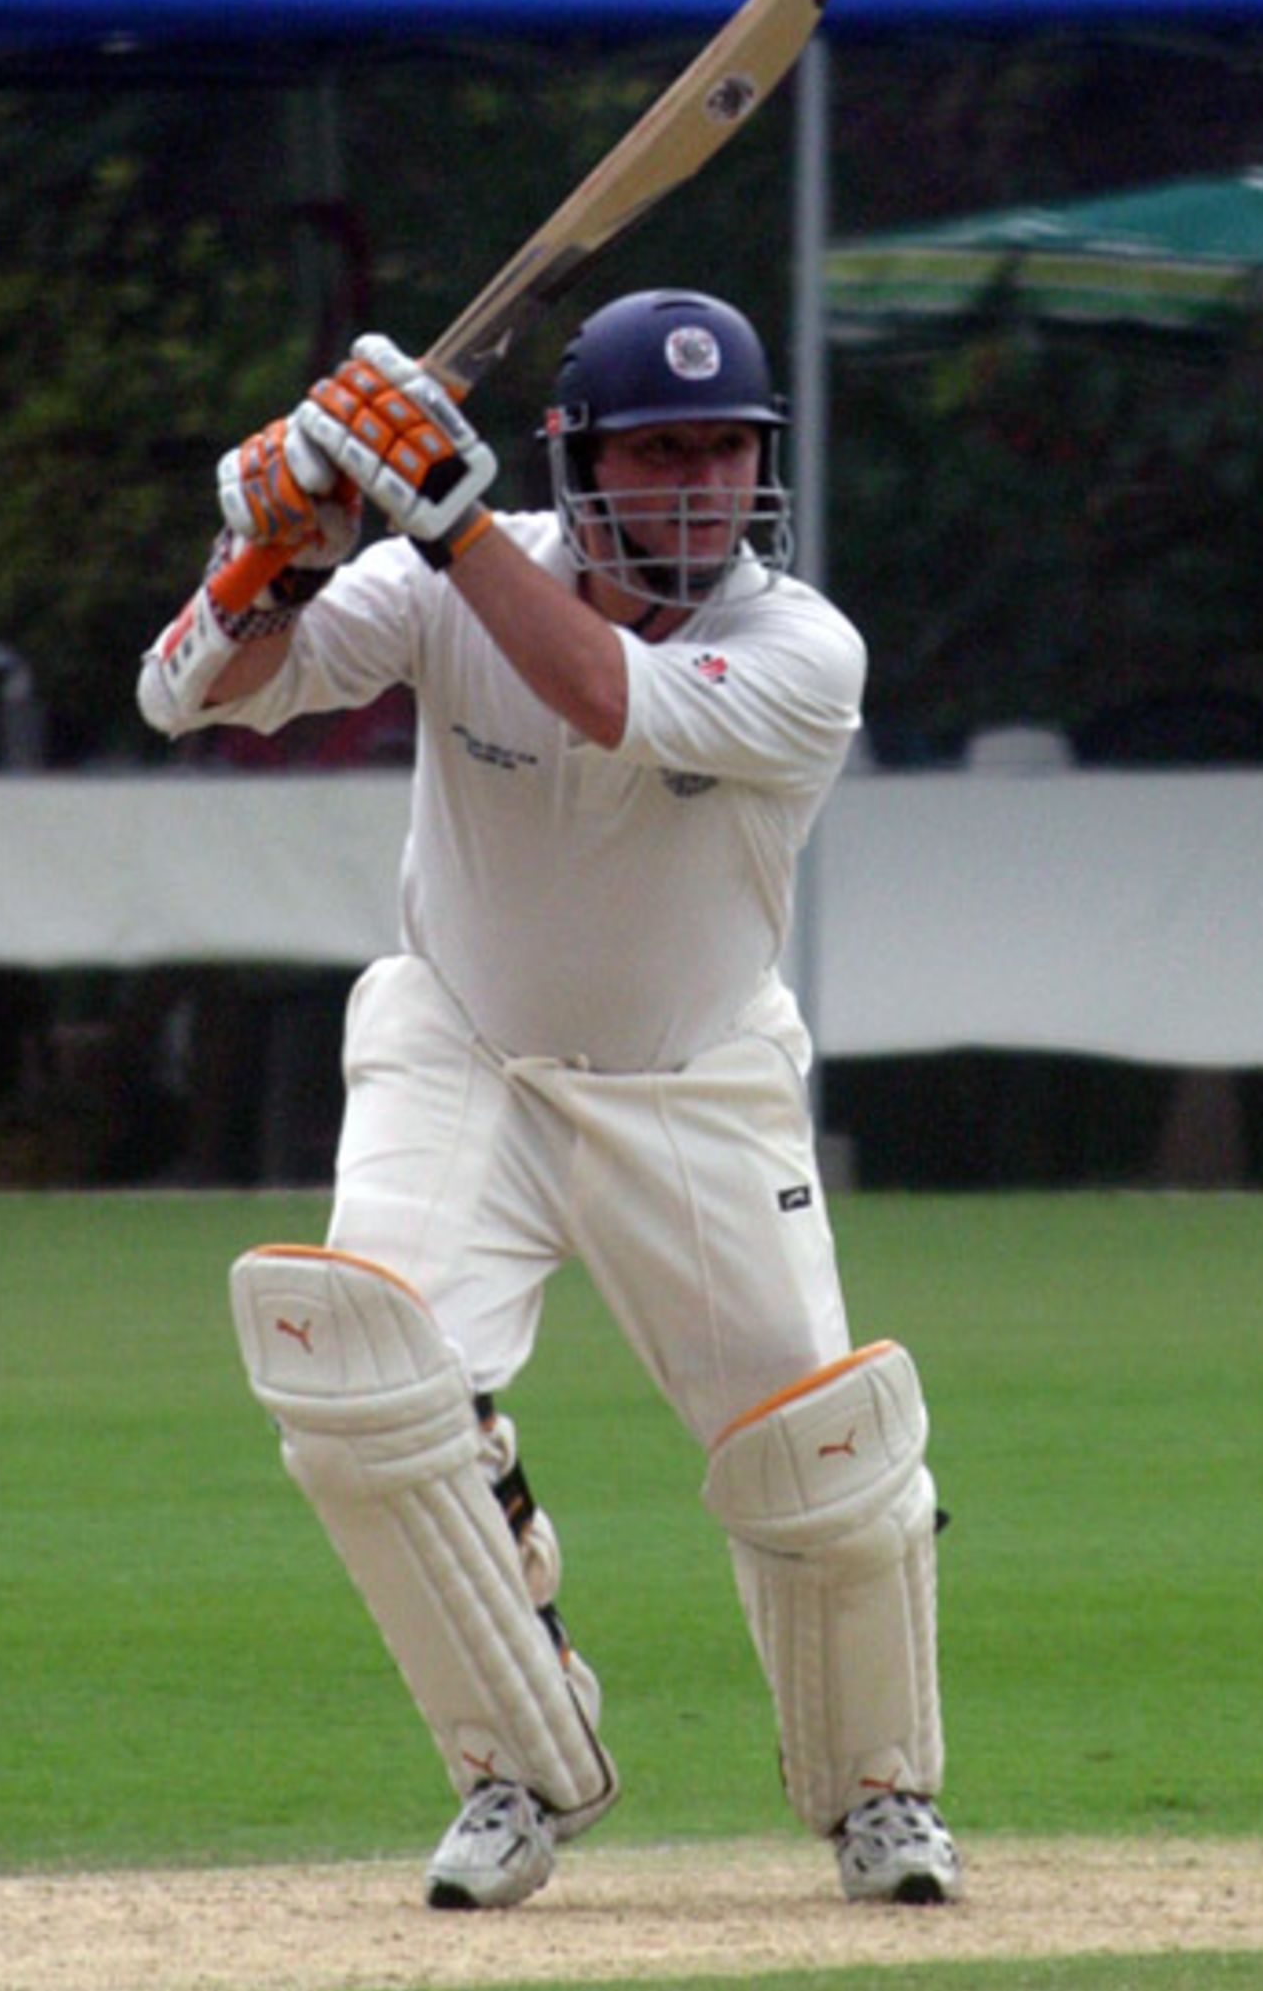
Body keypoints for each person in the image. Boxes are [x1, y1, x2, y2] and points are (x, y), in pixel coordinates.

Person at [138, 289, 962, 1911]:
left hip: (697, 1076)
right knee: (362, 1385)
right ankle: (515, 1761)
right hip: (466, 1049)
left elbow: (602, 693)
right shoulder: (442, 574)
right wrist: (275, 553)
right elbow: (195, 694)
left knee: (824, 1459)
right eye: (661, 451)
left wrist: (440, 521)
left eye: (726, 449)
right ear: (577, 458)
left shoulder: (803, 648)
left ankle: (881, 1792)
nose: (702, 484)